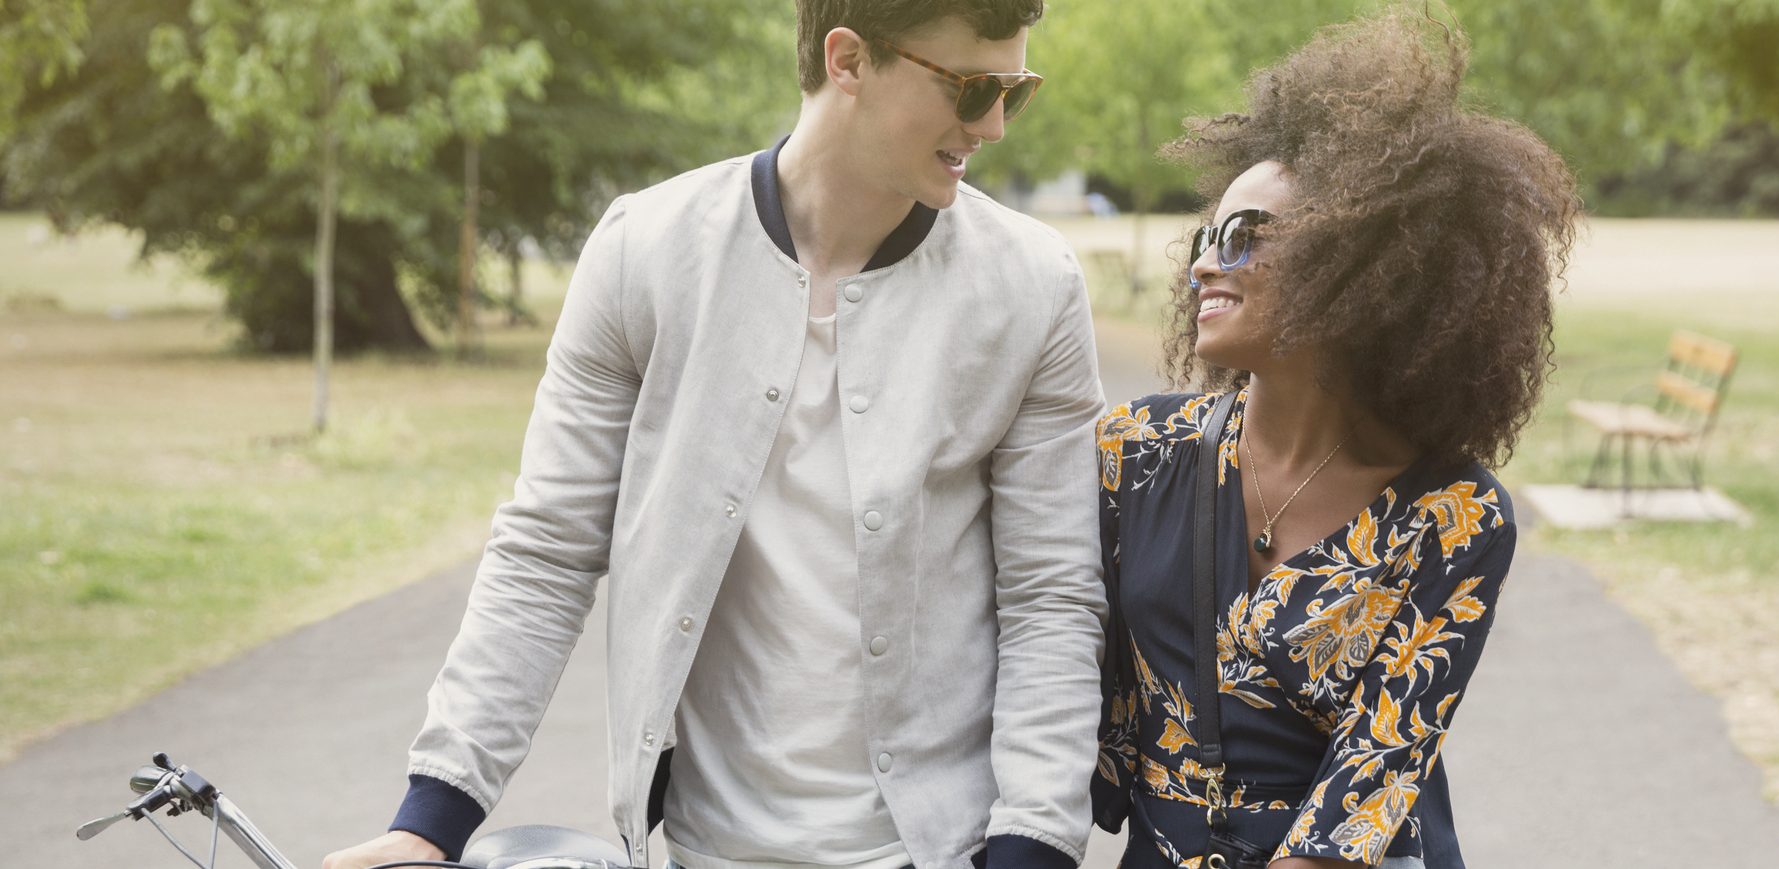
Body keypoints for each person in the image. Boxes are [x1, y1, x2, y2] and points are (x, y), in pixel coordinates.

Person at [322, 2, 1108, 868]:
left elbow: (1052, 599)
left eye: (1015, 91)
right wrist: (430, 816)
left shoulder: (1033, 286)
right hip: (700, 845)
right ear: (847, 61)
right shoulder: (644, 250)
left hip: (940, 848)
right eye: (971, 88)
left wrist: (1032, 846)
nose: (993, 125)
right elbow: (547, 549)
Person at [1089, 9, 1581, 868]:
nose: (1205, 262)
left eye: (1246, 237)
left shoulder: (1455, 518)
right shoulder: (1135, 453)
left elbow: (1369, 789)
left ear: (1360, 261)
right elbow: (1046, 672)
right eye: (1209, 234)